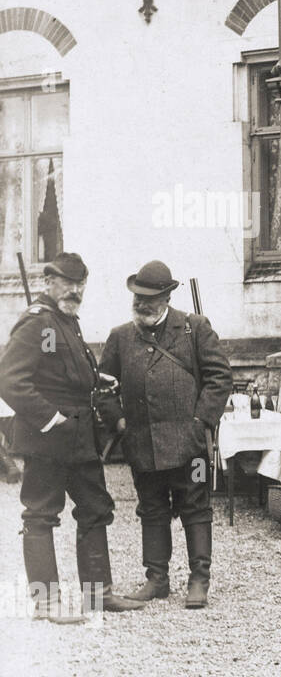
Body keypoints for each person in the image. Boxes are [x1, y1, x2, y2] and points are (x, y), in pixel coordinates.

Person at [0, 252, 144, 622]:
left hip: (80, 439)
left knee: (96, 510)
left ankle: (99, 595)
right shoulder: (39, 324)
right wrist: (51, 419)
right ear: (49, 282)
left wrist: (97, 379)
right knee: (41, 515)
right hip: (47, 439)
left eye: (80, 283)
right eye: (67, 282)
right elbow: (11, 381)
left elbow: (60, 371)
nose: (75, 290)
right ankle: (46, 604)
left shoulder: (66, 322)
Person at [99, 260, 232, 609]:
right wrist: (119, 423)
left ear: (168, 296)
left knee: (197, 508)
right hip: (143, 445)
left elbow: (220, 377)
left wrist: (201, 421)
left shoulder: (194, 328)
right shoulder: (120, 337)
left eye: (150, 297)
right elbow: (102, 388)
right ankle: (156, 579)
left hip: (191, 447)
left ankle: (199, 578)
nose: (142, 304)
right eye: (138, 297)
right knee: (152, 509)